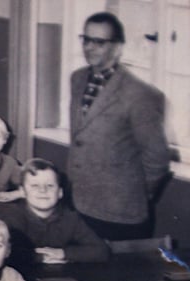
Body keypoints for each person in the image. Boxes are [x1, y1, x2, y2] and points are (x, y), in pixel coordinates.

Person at [69, 11, 170, 240]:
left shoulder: (139, 94)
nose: (90, 47)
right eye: (86, 39)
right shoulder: (77, 79)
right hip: (80, 204)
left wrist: (133, 193)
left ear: (117, 47)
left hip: (120, 214)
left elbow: (157, 159)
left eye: (99, 42)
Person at [0, 158, 109, 265]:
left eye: (50, 185)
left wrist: (62, 253)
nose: (43, 190)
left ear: (60, 193)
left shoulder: (70, 218)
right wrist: (40, 257)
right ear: (23, 192)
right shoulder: (11, 217)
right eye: (35, 185)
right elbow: (3, 253)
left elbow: (101, 250)